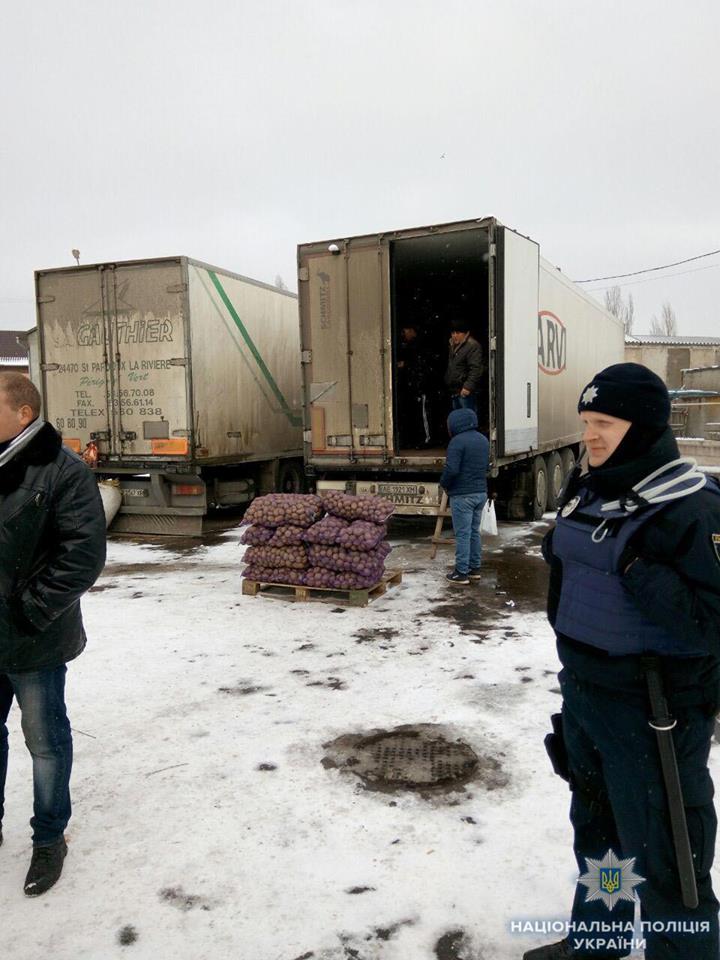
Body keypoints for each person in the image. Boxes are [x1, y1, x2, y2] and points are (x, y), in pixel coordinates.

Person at [527, 363, 720, 960]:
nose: (591, 435)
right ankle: (598, 942)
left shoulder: (693, 507)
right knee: (601, 839)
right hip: (586, 696)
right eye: (586, 422)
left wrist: (637, 571)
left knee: (668, 853)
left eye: (604, 423)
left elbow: (710, 620)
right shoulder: (591, 487)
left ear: (643, 426)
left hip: (656, 713)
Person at [0, 373, 106, 896]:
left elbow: (82, 557)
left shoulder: (62, 471)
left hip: (32, 638)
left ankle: (48, 839)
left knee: (44, 742)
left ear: (23, 414)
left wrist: (30, 612)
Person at [439, 407, 489, 584]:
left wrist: (444, 484)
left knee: (462, 534)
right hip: (480, 493)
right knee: (474, 532)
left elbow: (452, 469)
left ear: (456, 423)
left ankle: (461, 572)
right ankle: (474, 569)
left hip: (462, 495)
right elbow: (486, 467)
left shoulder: (457, 442)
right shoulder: (483, 440)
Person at [397, 324, 431, 447]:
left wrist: (406, 365)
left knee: (422, 414)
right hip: (412, 385)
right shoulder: (409, 345)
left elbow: (421, 365)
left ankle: (425, 439)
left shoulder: (420, 345)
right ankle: (416, 439)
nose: (403, 333)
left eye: (405, 330)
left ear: (412, 330)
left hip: (419, 385)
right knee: (414, 414)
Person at [444, 320, 484, 414]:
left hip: (465, 392)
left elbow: (476, 369)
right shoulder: (453, 345)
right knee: (458, 421)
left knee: (467, 420)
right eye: (453, 333)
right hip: (454, 390)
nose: (455, 335)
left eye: (458, 333)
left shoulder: (472, 346)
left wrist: (467, 387)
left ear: (466, 333)